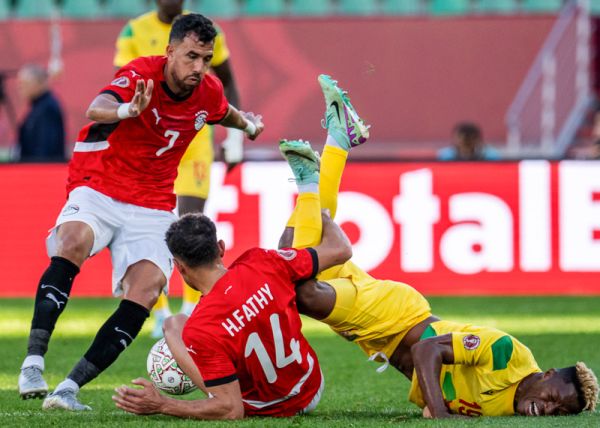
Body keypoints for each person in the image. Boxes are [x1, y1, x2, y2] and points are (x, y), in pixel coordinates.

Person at [277, 76, 598, 418]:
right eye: (553, 396)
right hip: (394, 316)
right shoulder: (506, 354)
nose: (547, 408)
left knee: (290, 250)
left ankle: (330, 155)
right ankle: (315, 176)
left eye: (558, 411)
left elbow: (446, 398)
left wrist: (438, 407)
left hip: (379, 337)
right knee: (300, 289)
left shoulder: (506, 408)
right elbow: (427, 350)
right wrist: (441, 414)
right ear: (546, 374)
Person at [17, 13, 264, 411]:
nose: (198, 67)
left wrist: (248, 125)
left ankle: (68, 389)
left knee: (146, 291)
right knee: (72, 241)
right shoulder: (140, 75)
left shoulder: (208, 90)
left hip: (152, 202)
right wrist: (127, 112)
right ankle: (33, 362)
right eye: (190, 57)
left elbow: (225, 111)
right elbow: (96, 108)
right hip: (101, 184)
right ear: (169, 52)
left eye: (205, 58)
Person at [111, 185, 352, 418]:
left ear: (180, 268)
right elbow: (340, 248)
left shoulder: (201, 328)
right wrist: (321, 213)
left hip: (263, 408)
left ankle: (215, 390)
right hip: (311, 385)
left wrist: (163, 404)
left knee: (174, 325)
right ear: (221, 248)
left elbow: (231, 410)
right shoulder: (262, 261)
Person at [114, 0, 244, 335]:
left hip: (195, 141)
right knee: (151, 226)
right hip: (151, 144)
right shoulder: (133, 31)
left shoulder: (205, 31)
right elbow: (124, 86)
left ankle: (191, 308)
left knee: (191, 224)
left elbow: (227, 81)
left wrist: (234, 140)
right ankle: (157, 310)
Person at [16, 64, 65, 162]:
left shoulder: (47, 108)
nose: (20, 88)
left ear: (39, 83)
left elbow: (45, 149)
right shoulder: (38, 107)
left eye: (24, 83)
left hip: (40, 171)